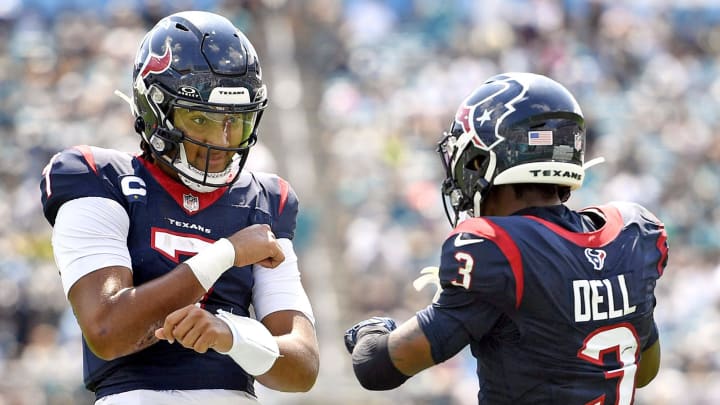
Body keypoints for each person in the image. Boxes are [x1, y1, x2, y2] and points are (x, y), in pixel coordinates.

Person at [40, 11, 319, 404]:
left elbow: (303, 367)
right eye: (201, 119)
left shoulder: (265, 200)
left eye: (235, 123)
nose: (221, 142)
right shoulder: (98, 177)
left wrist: (231, 335)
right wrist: (225, 254)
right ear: (154, 110)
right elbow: (107, 330)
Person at [344, 72, 667, 404]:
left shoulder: (498, 249)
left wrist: (370, 332)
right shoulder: (631, 234)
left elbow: (376, 367)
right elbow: (645, 369)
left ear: (484, 160)